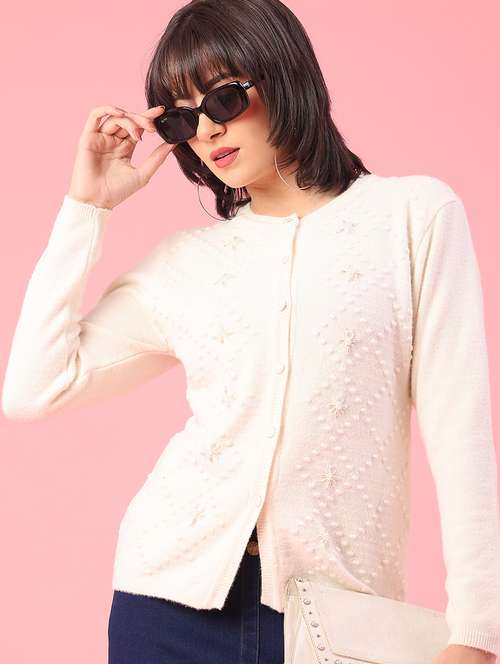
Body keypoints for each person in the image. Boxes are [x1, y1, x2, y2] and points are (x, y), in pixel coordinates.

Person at [2, 0, 500, 663]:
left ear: (285, 75)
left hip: (336, 624)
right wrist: (86, 209)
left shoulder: (413, 216)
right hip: (166, 606)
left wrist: (478, 631)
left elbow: (461, 430)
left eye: (224, 98)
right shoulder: (188, 263)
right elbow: (32, 388)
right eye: (182, 118)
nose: (207, 129)